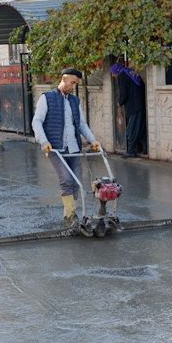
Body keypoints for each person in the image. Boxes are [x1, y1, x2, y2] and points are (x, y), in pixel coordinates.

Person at [32, 68, 102, 227]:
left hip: (74, 147)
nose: (74, 87)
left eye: (76, 84)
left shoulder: (75, 101)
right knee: (66, 179)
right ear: (64, 79)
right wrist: (44, 141)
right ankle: (70, 215)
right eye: (72, 83)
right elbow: (37, 121)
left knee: (76, 181)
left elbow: (82, 124)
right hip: (55, 148)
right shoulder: (47, 98)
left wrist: (93, 140)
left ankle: (73, 213)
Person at [110, 63, 147, 158]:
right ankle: (145, 149)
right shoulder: (130, 72)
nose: (113, 75)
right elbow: (142, 85)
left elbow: (124, 94)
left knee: (132, 129)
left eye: (113, 73)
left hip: (133, 106)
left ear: (116, 71)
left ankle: (131, 151)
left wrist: (120, 102)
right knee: (141, 128)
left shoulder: (122, 76)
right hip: (141, 104)